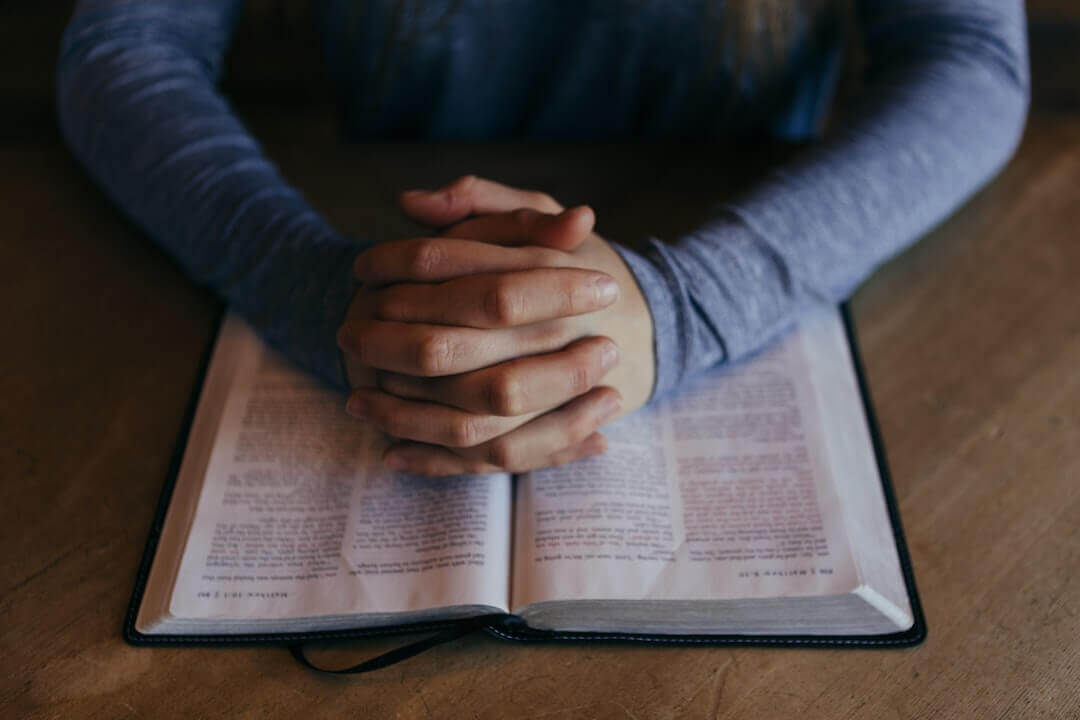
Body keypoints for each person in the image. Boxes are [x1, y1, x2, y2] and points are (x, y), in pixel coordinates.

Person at [57, 0, 1029, 476]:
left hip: (741, 227)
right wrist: (338, 297)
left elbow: (971, 58)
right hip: (389, 234)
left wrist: (683, 305)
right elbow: (123, 48)